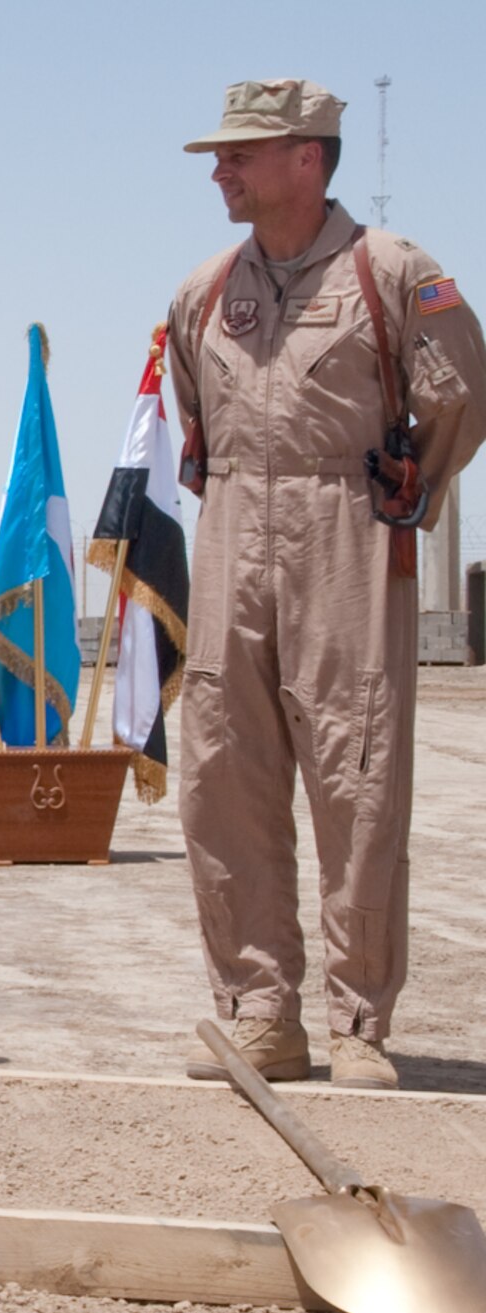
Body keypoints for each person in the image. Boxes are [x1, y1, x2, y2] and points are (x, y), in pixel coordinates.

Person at [169, 80, 485, 1090]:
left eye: (238, 155)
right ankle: (260, 1010)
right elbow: (192, 407)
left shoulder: (390, 273)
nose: (218, 171)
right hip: (230, 536)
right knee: (221, 774)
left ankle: (356, 1020)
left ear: (305, 157)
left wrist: (409, 492)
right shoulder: (206, 288)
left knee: (355, 775)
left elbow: (458, 395)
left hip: (342, 531)